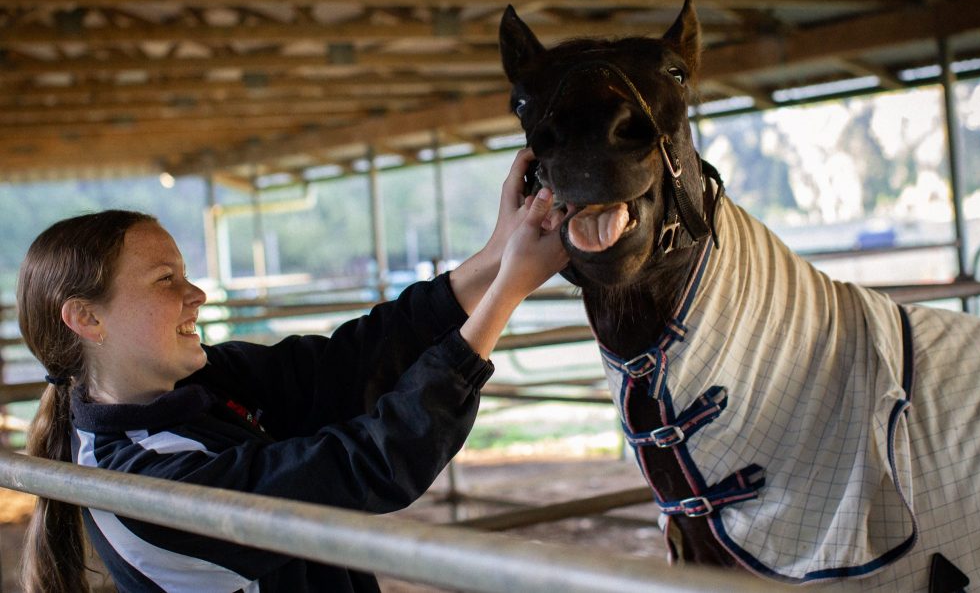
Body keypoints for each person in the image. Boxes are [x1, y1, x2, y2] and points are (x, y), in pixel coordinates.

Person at [16, 148, 568, 593]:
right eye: (165, 281)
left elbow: (347, 363)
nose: (197, 295)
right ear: (86, 317)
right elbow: (365, 465)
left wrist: (496, 255)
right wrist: (506, 294)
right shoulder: (142, 486)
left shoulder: (196, 383)